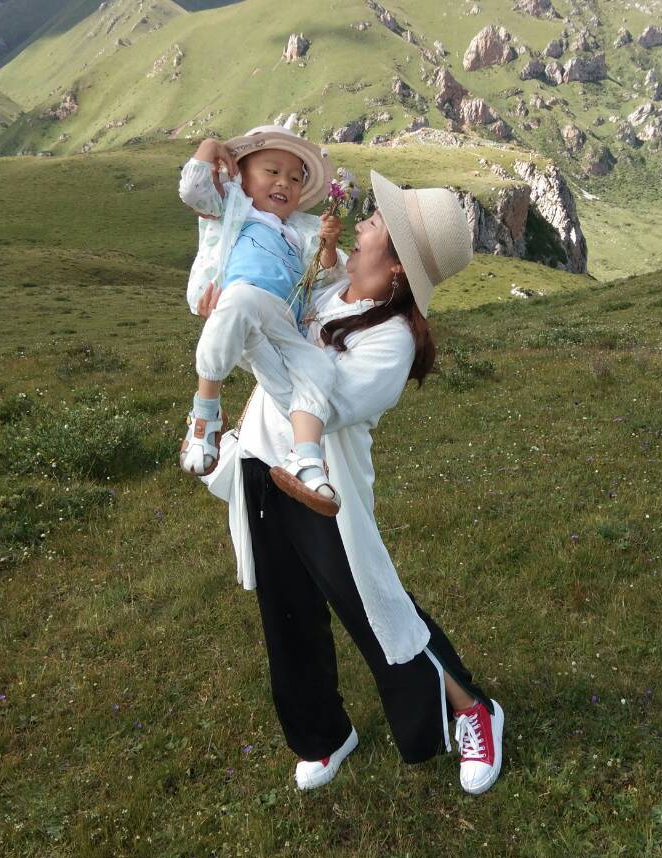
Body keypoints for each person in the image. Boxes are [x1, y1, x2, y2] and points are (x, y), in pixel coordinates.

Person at [197, 170, 505, 796]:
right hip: (263, 461)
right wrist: (230, 302)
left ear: (397, 267)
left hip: (324, 489)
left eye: (376, 223)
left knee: (374, 607)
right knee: (286, 612)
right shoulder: (332, 286)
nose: (363, 222)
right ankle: (323, 736)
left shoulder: (391, 342)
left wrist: (250, 337)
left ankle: (472, 709)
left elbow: (324, 406)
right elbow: (268, 291)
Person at [177, 122, 345, 515]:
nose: (284, 182)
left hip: (284, 320)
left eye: (295, 178)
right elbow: (192, 190)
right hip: (241, 300)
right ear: (242, 176)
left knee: (318, 368)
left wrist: (329, 245)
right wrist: (211, 146)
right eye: (272, 171)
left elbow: (326, 277)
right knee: (238, 301)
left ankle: (306, 456)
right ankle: (205, 414)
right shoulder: (233, 210)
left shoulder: (300, 232)